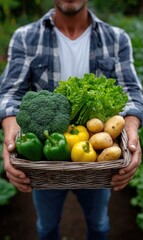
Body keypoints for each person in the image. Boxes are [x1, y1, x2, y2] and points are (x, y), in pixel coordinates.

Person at [0, 1, 142, 240]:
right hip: (45, 158)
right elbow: (9, 94)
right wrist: (10, 137)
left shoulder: (117, 39)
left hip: (97, 158)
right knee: (46, 226)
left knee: (98, 224)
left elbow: (131, 91)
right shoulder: (25, 37)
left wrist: (131, 133)